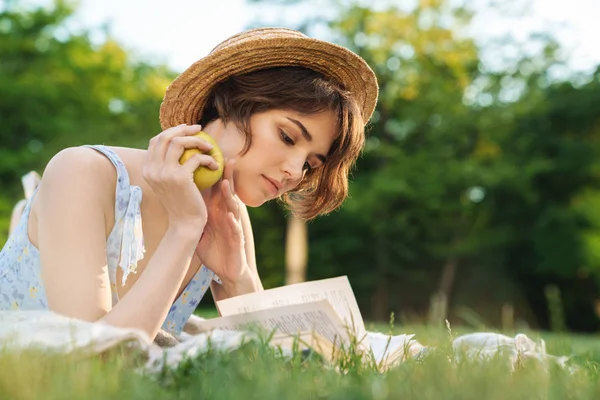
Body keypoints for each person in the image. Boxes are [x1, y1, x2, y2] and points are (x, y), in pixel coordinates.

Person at [0, 27, 379, 341]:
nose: (295, 173)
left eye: (312, 165)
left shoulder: (228, 216)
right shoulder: (82, 172)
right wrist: (183, 230)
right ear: (234, 102)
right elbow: (89, 364)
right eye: (287, 137)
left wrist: (237, 277)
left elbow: (269, 362)